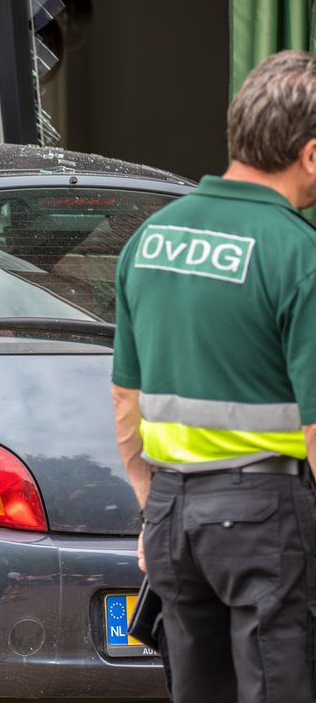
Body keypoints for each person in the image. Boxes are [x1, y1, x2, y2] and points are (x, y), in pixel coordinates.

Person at [111, 50, 316, 702]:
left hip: (173, 514)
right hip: (265, 518)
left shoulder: (150, 240)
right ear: (309, 154)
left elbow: (125, 402)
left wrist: (153, 511)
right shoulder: (296, 252)